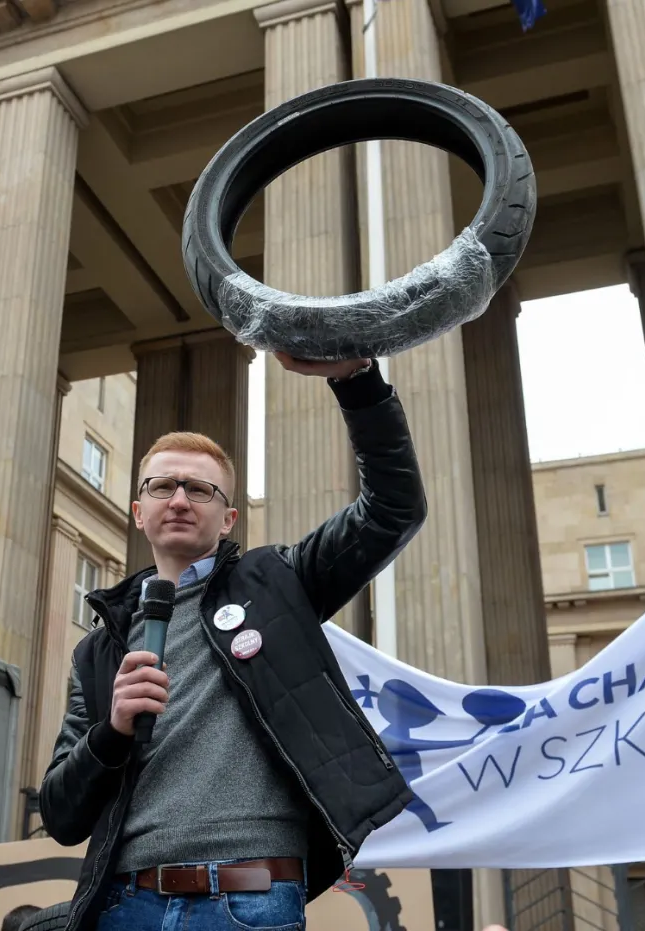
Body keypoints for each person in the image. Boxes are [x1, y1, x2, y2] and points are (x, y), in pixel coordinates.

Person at [36, 352, 428, 931]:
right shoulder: (100, 649)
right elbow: (61, 814)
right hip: (127, 903)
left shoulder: (279, 585)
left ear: (228, 520)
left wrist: (356, 381)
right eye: (163, 485)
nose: (178, 499)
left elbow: (393, 510)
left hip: (250, 898)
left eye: (200, 490)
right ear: (139, 509)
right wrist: (112, 732)